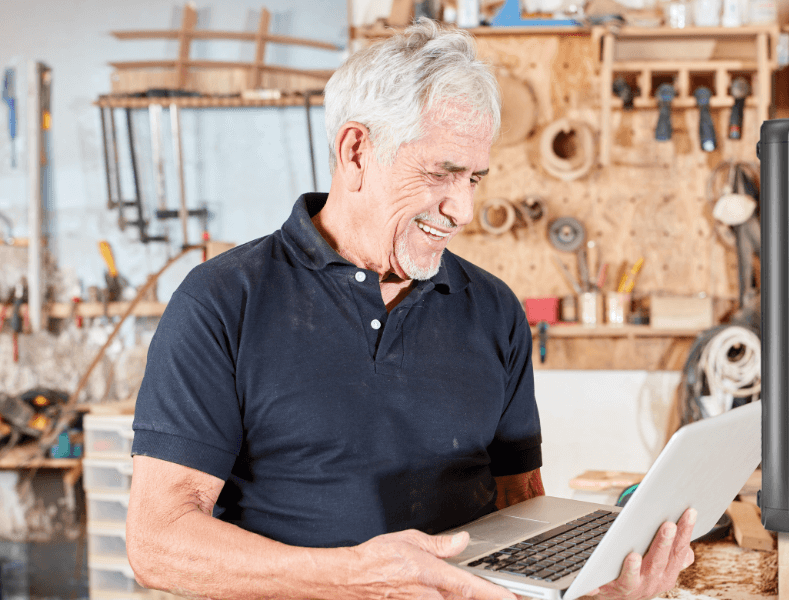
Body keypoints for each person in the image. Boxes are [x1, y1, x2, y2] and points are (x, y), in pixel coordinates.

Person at [126, 19, 696, 600]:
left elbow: (519, 504)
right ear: (356, 151)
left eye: (475, 177)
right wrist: (353, 576)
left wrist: (592, 586)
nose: (463, 208)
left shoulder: (494, 308)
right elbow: (158, 543)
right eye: (440, 173)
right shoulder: (223, 301)